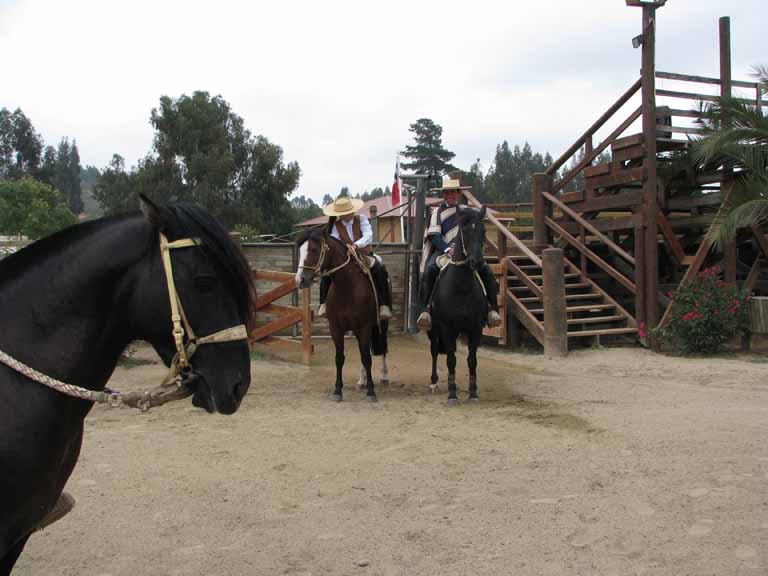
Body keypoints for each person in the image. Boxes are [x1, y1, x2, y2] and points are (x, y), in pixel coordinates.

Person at [416, 178, 501, 329]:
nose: (450, 195)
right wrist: (448, 249)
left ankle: (492, 310)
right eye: (447, 192)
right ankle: (425, 310)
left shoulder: (467, 211)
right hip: (443, 251)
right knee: (430, 270)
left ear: (458, 193)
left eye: (453, 192)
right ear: (443, 194)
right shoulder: (437, 212)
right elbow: (434, 236)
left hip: (467, 252)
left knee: (487, 271)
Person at [317, 196, 393, 321]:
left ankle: (383, 304)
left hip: (364, 254)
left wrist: (356, 245)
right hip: (344, 257)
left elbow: (368, 235)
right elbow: (335, 240)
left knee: (379, 270)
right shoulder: (335, 226)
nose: (345, 215)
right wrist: (345, 247)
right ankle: (323, 304)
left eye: (346, 212)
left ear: (352, 211)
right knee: (326, 273)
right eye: (342, 214)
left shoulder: (361, 219)